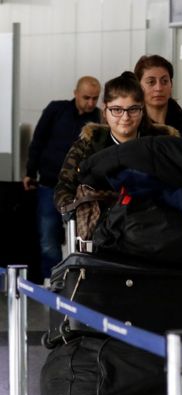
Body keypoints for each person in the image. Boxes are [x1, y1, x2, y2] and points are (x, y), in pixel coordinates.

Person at [54, 71, 178, 212]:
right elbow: (64, 186)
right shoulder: (88, 144)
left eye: (133, 109)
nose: (125, 117)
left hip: (153, 223)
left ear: (142, 111)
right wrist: (76, 209)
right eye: (117, 110)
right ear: (105, 111)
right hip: (99, 224)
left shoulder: (162, 142)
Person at [22, 76, 101, 280]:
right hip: (49, 183)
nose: (91, 103)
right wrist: (30, 172)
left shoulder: (99, 119)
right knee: (48, 236)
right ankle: (52, 280)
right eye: (86, 97)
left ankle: (74, 282)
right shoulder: (56, 111)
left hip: (81, 189)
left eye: (95, 98)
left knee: (81, 238)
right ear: (75, 93)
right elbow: (38, 141)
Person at [134, 54, 182, 144]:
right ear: (138, 87)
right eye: (151, 82)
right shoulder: (132, 123)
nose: (159, 88)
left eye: (164, 81)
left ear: (171, 85)